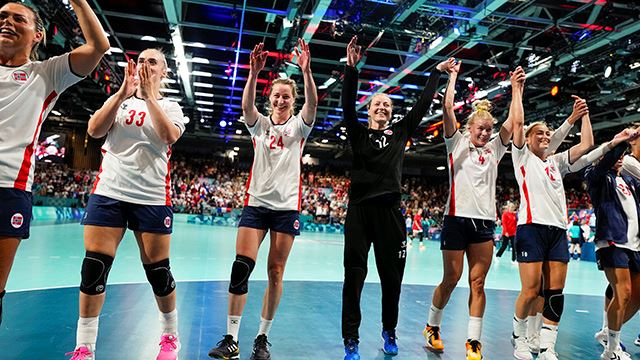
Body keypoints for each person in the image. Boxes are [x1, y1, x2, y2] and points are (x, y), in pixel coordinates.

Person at [66, 49, 186, 360]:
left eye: (153, 62)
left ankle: (170, 337)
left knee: (159, 272)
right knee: (93, 268)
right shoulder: (119, 102)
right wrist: (121, 94)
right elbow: (94, 130)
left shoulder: (170, 106)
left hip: (151, 198)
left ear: (163, 72)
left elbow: (168, 136)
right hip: (109, 192)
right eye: (141, 60)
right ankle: (85, 346)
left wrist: (148, 98)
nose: (146, 65)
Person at [0, 0, 108, 328]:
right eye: (2, 16)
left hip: (8, 188)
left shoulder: (45, 74)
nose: (7, 22)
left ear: (38, 35)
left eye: (19, 19)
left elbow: (98, 47)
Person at [208, 39, 317, 360]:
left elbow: (313, 105)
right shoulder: (261, 127)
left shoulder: (299, 127)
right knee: (241, 266)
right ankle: (231, 337)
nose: (281, 99)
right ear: (270, 100)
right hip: (255, 206)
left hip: (286, 209)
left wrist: (307, 72)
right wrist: (254, 73)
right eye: (277, 95)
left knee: (276, 272)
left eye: (287, 95)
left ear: (292, 101)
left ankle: (261, 338)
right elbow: (246, 109)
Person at [340, 35, 447, 360]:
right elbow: (346, 104)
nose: (382, 107)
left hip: (391, 215)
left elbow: (421, 107)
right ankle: (351, 339)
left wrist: (436, 73)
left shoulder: (400, 132)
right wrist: (351, 68)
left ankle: (390, 330)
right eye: (377, 104)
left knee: (392, 280)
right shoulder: (358, 133)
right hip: (359, 213)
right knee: (354, 278)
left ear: (391, 112)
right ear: (369, 111)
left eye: (387, 104)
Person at [423, 60, 524, 360]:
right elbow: (447, 109)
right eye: (481, 128)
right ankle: (432, 325)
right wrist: (452, 77)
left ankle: (473, 342)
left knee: (478, 283)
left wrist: (517, 89)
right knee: (451, 279)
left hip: (482, 225)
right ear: (470, 128)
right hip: (455, 220)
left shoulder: (495, 148)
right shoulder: (455, 143)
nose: (485, 133)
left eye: (489, 130)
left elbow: (514, 123)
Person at [510, 95, 593, 360]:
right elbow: (520, 122)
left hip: (557, 230)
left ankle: (546, 346)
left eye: (548, 133)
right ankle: (519, 337)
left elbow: (588, 144)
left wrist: (583, 114)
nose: (545, 137)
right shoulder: (522, 157)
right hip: (531, 228)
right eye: (540, 133)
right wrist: (518, 89)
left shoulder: (554, 162)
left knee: (554, 292)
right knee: (531, 290)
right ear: (527, 137)